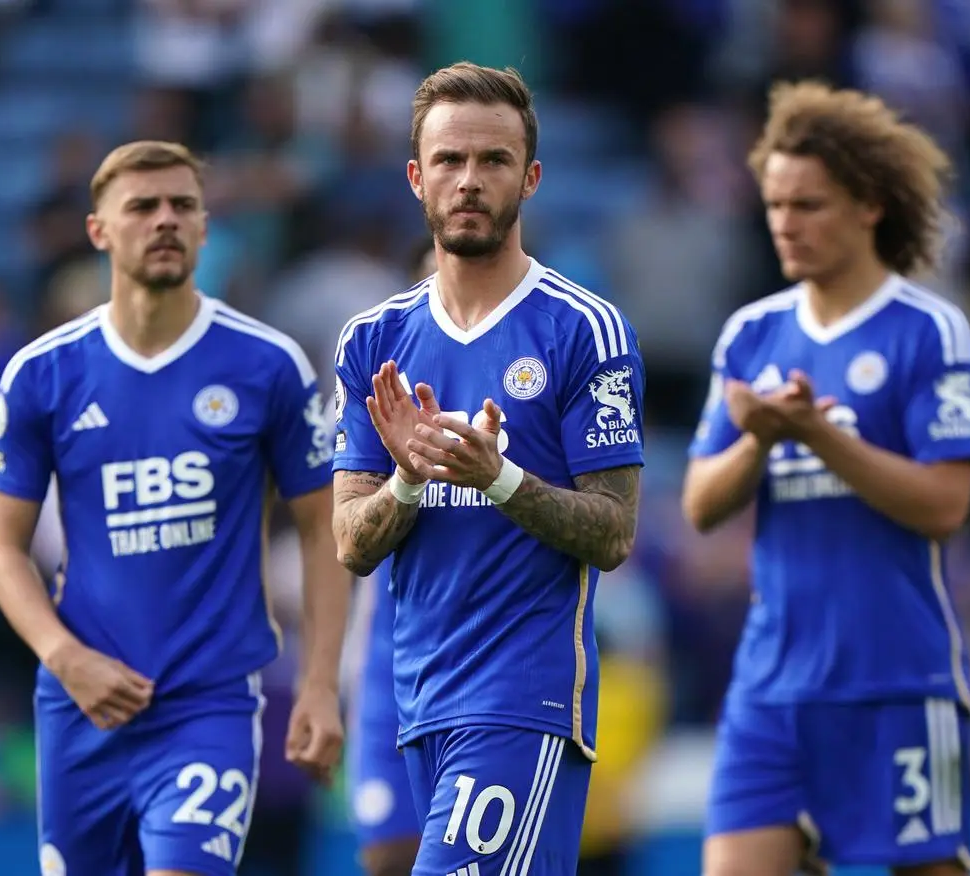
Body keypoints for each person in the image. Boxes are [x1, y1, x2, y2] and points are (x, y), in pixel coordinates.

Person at [0, 140, 350, 876]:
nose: (165, 220)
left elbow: (321, 527)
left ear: (206, 227)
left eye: (183, 205)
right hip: (82, 706)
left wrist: (318, 685)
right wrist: (66, 658)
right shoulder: (42, 374)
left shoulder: (266, 365)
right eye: (142, 207)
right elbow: (1, 551)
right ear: (99, 231)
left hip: (206, 705)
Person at [331, 62, 646, 876]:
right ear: (416, 178)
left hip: (524, 698)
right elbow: (351, 545)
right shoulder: (373, 341)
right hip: (419, 703)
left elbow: (613, 533)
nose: (469, 180)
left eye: (493, 161)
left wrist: (498, 480)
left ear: (530, 177)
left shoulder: (585, 330)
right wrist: (408, 476)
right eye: (449, 160)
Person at [683, 81, 970, 876]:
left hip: (894, 678)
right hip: (771, 683)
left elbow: (945, 505)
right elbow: (701, 505)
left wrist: (817, 433)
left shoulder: (927, 330)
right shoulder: (752, 334)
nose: (786, 223)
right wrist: (760, 442)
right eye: (776, 205)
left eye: (809, 205)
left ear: (869, 206)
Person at [345, 236, 436, 876]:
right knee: (388, 858)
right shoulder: (371, 386)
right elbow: (340, 540)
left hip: (493, 665)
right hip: (388, 672)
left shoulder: (530, 375)